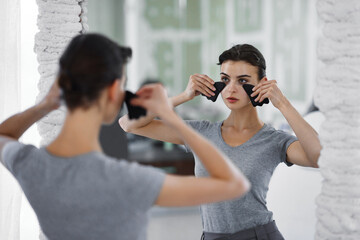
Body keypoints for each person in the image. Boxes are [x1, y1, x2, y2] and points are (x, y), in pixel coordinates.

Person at [0, 34, 250, 240]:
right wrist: (170, 116)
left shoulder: (30, 165)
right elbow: (234, 184)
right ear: (112, 91)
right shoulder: (126, 181)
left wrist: (45, 105)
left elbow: (3, 135)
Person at [119, 44, 321, 240]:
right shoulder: (201, 132)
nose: (231, 89)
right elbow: (129, 124)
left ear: (262, 84)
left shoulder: (274, 140)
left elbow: (319, 157)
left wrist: (283, 103)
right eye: (225, 79)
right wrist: (184, 96)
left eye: (242, 81)